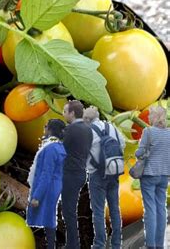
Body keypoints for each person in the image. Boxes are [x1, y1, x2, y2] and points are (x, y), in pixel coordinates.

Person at [84, 106, 125, 249]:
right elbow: (122, 144)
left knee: (98, 211)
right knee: (114, 208)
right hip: (114, 173)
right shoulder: (111, 126)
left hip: (97, 175)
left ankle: (100, 244)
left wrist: (90, 166)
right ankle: (116, 243)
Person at [27, 119, 67, 249]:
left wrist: (37, 196)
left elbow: (46, 174)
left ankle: (50, 244)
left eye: (46, 127)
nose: (44, 129)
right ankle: (51, 243)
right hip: (57, 184)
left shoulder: (50, 149)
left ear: (51, 130)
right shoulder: (62, 148)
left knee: (47, 216)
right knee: (50, 214)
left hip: (48, 186)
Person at [135, 105, 170, 249]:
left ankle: (150, 245)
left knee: (150, 210)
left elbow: (139, 153)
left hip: (149, 174)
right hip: (164, 175)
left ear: (155, 118)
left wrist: (139, 149)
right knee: (161, 208)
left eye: (150, 115)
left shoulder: (148, 132)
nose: (148, 118)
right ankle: (159, 245)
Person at [61, 100, 93, 249]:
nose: (63, 114)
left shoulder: (71, 130)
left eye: (65, 111)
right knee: (70, 209)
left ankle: (73, 244)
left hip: (71, 173)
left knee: (68, 211)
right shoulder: (88, 129)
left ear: (72, 113)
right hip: (81, 172)